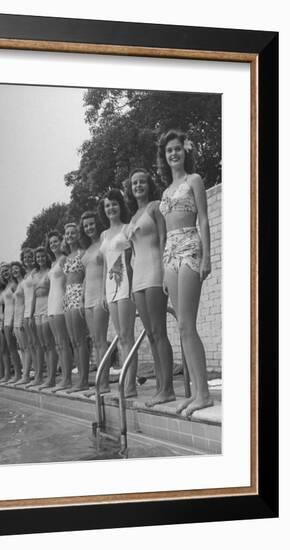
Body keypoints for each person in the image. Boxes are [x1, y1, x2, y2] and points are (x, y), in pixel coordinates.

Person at [157, 129, 213, 416]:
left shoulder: (195, 180)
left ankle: (203, 394)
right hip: (171, 256)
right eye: (169, 151)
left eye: (177, 149)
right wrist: (165, 269)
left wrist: (207, 255)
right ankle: (195, 393)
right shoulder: (165, 192)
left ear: (185, 152)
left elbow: (203, 219)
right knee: (180, 327)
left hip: (191, 248)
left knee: (188, 325)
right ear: (164, 157)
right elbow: (165, 233)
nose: (174, 154)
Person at [126, 168, 176, 406]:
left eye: (142, 182)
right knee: (151, 337)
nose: (138, 186)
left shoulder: (155, 207)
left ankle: (167, 389)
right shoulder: (133, 216)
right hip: (138, 279)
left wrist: (166, 273)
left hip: (156, 272)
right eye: (134, 183)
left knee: (159, 332)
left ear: (148, 184)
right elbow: (132, 254)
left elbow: (165, 240)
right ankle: (160, 386)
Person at [98, 188, 137, 398]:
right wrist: (104, 294)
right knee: (120, 336)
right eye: (107, 205)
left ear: (120, 205)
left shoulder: (127, 228)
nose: (110, 208)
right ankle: (126, 381)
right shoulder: (104, 234)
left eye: (114, 203)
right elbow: (105, 265)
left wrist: (131, 287)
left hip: (126, 284)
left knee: (128, 336)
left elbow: (133, 259)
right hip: (110, 286)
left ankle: (130, 385)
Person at [79, 211, 110, 394]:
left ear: (97, 224)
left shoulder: (103, 243)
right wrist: (82, 297)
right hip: (88, 299)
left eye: (91, 224)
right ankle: (100, 382)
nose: (89, 228)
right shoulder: (88, 249)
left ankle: (104, 384)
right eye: (86, 226)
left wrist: (105, 294)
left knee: (100, 341)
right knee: (95, 341)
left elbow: (108, 268)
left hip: (100, 296)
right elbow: (86, 276)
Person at [63, 222, 90, 392]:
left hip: (78, 292)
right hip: (67, 296)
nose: (70, 235)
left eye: (73, 233)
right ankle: (79, 378)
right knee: (73, 341)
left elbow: (87, 276)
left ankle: (84, 380)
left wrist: (82, 297)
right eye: (68, 233)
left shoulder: (83, 253)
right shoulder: (66, 257)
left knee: (80, 340)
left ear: (78, 235)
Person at [46, 230, 73, 391]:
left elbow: (69, 279)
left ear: (60, 242)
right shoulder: (53, 263)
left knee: (63, 342)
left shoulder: (63, 259)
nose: (53, 244)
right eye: (51, 243)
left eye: (56, 241)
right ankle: (63, 377)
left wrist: (66, 301)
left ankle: (67, 379)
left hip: (60, 302)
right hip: (51, 303)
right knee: (58, 344)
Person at [31, 246, 58, 389]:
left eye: (42, 256)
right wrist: (31, 313)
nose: (40, 259)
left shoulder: (50, 271)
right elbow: (33, 296)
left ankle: (52, 377)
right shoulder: (34, 274)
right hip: (37, 309)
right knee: (43, 345)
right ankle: (43, 376)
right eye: (38, 257)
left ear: (46, 257)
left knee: (50, 344)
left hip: (48, 305)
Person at [20, 248, 42, 387]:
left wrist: (32, 313)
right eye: (25, 257)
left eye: (30, 257)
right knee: (32, 345)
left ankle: (39, 375)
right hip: (26, 312)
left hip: (33, 312)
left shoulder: (35, 273)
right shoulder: (26, 275)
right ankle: (34, 374)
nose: (28, 259)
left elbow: (34, 294)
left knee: (37, 345)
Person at [0, 262, 22, 383]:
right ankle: (17, 373)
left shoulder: (14, 284)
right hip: (6, 320)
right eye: (2, 271)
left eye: (6, 270)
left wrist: (14, 320)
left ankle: (19, 374)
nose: (5, 272)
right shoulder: (7, 286)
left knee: (15, 348)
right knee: (11, 348)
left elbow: (17, 301)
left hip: (13, 318)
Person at [11, 261, 31, 385]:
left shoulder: (24, 282)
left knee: (26, 347)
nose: (14, 271)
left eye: (16, 268)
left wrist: (24, 318)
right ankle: (24, 373)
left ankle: (26, 375)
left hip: (22, 316)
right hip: (16, 319)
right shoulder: (17, 284)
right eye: (13, 269)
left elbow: (26, 301)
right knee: (22, 348)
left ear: (21, 269)